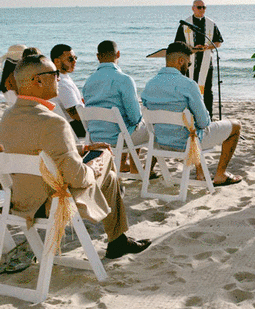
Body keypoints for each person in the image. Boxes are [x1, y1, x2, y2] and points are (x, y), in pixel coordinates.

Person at [0, 54, 150, 259]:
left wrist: (82, 148)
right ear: (38, 80)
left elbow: (35, 149)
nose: (58, 78)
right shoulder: (53, 123)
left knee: (109, 175)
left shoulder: (7, 117)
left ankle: (118, 239)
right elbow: (77, 177)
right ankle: (117, 239)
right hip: (54, 202)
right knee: (105, 155)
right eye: (54, 74)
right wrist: (93, 169)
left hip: (22, 202)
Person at [141, 41, 242, 186]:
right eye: (188, 64)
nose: (188, 67)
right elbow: (204, 123)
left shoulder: (150, 84)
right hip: (186, 144)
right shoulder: (188, 85)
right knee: (236, 126)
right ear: (180, 61)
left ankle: (151, 170)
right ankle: (221, 174)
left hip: (161, 142)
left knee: (186, 127)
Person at [82, 40, 149, 173]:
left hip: (94, 138)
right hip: (118, 138)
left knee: (124, 124)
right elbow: (135, 117)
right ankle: (136, 168)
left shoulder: (88, 82)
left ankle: (127, 166)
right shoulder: (124, 79)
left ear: (98, 56)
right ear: (118, 54)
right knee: (145, 128)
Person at [174, 0, 223, 116]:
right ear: (193, 8)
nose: (202, 10)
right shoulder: (185, 23)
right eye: (199, 7)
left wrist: (207, 47)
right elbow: (178, 43)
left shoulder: (211, 24)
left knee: (207, 90)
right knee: (189, 89)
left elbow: (218, 42)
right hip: (189, 63)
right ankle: (190, 114)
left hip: (206, 61)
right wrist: (191, 48)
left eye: (204, 7)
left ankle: (208, 116)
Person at [50, 43, 86, 137]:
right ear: (57, 61)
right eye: (70, 59)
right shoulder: (61, 83)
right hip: (75, 128)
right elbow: (76, 115)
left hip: (71, 125)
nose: (74, 61)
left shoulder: (60, 78)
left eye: (75, 58)